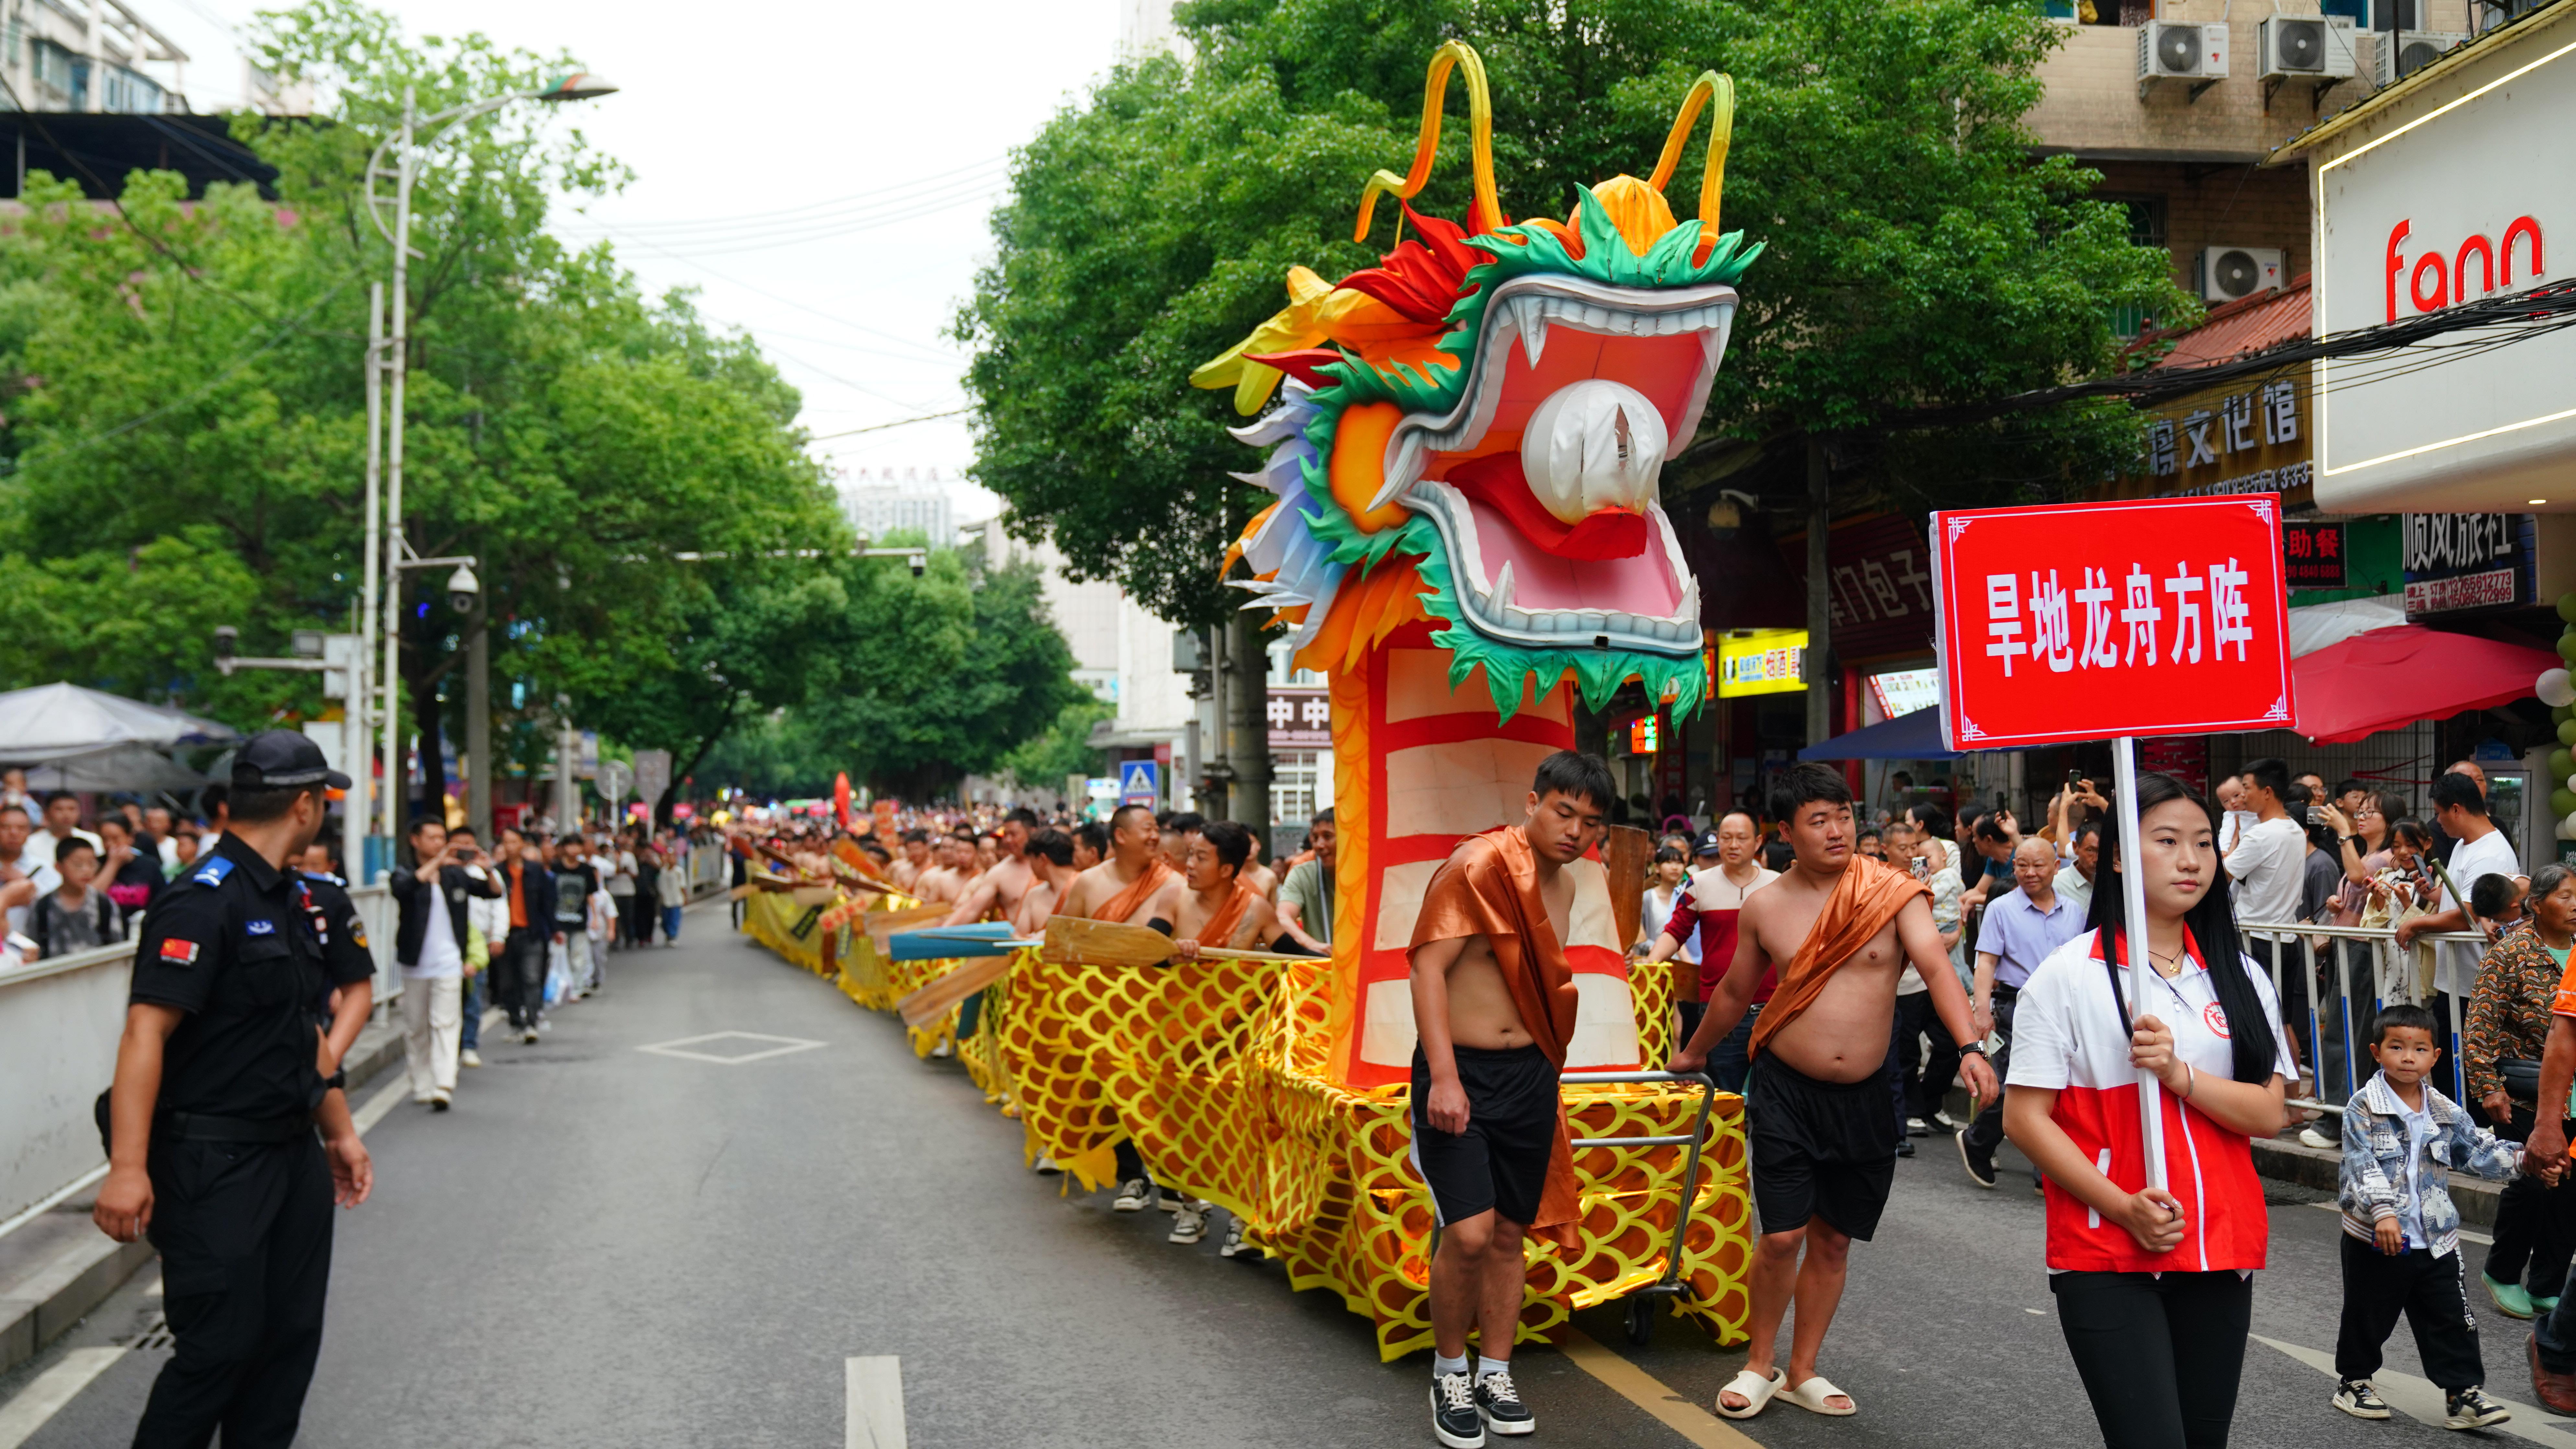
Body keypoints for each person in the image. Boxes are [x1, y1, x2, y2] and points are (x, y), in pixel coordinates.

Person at [1669, 765, 1995, 1421]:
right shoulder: (1765, 905)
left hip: (1867, 1095)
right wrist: (1695, 1050)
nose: (1837, 830)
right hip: (1786, 1089)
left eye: (1843, 815)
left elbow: (1936, 968)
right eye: (1818, 820)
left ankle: (1802, 1370)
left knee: (1834, 1239)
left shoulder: (1892, 892)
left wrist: (1968, 1047)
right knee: (1782, 1234)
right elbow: (1734, 991)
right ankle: (1759, 1362)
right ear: (1785, 832)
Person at [92, 730, 374, 1448]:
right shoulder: (201, 900)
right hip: (214, 1163)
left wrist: (339, 1130)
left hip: (292, 1154)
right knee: (219, 1349)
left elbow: (299, 1027)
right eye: (324, 801)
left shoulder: (290, 896)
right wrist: (127, 1167)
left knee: (286, 1346)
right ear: (305, 805)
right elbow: (145, 1031)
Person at [2001, 770, 2294, 1449]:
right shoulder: (2067, 975)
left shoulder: (2241, 975)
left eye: (2203, 842)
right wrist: (2123, 1205)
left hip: (2218, 1247)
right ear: (2116, 857)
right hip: (2106, 1252)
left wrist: (2178, 1074)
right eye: (2166, 841)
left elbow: (2268, 1113)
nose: (2191, 860)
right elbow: (2024, 1119)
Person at [1407, 750, 1613, 1447]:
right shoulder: (1476, 866)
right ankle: (1449, 1371)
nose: (1574, 831)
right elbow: (1427, 970)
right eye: (1564, 812)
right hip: (1460, 1072)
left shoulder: (1569, 884)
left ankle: (1494, 1371)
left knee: (1506, 1234)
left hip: (1529, 1075)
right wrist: (1443, 1076)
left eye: (1590, 822)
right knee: (1467, 1232)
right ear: (1533, 802)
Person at [2331, 1003, 2520, 1428]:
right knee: (2368, 1313)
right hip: (2378, 1237)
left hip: (2436, 1238)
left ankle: (2462, 1393)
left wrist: (2525, 1161)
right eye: (2397, 1047)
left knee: (2452, 1316)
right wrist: (2383, 1213)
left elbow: (2476, 1150)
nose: (2408, 1057)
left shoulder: (2443, 1109)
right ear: (2377, 1051)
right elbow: (2361, 1164)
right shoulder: (2362, 1106)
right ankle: (2354, 1381)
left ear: (2435, 1056)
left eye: (2419, 1048)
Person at [2464, 864, 2576, 1320]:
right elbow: (2480, 1026)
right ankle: (2503, 1271)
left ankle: (2548, 1283)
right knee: (2531, 1183)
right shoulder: (2511, 953)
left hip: (2574, 1092)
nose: (2574, 906)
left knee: (2568, 1190)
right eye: (2565, 896)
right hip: (2525, 1091)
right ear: (2536, 904)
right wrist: (2488, 1088)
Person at [1056, 804, 1182, 1212]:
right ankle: (1132, 1177)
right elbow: (1064, 942)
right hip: (1102, 1010)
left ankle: (1173, 1181)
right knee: (1114, 1091)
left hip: (1161, 1010)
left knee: (1163, 1095)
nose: (1155, 835)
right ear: (1121, 836)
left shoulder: (1174, 884)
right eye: (1147, 828)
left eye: (1156, 828)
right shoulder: (1088, 882)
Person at [1959, 836, 2088, 1190]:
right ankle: (1977, 1141)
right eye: (2021, 865)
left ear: (2056, 867)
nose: (2030, 873)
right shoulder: (2001, 908)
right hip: (2015, 1005)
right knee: (2010, 1086)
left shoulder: (2074, 911)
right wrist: (1982, 1011)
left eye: (2038, 865)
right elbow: (1986, 962)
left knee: (2057, 1086)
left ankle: (2044, 1170)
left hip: (2063, 1007)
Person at [1636, 815, 1776, 1089]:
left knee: (1772, 1094)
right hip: (1718, 1011)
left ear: (1758, 842)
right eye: (1726, 838)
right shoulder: (1698, 884)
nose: (1733, 845)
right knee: (1722, 1093)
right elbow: (1676, 931)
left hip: (1773, 1008)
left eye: (1742, 838)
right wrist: (1651, 964)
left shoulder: (1778, 884)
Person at [389, 819, 501, 1111]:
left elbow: (492, 892)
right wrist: (438, 862)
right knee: (417, 1026)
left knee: (446, 1022)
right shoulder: (405, 872)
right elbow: (403, 889)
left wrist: (488, 868)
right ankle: (422, 1083)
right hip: (416, 962)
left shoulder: (455, 875)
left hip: (450, 961)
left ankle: (443, 1083)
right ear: (415, 840)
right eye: (432, 838)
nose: (439, 843)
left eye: (442, 838)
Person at [2399, 772, 2522, 1006]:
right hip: (2458, 979)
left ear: (2456, 810)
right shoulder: (2464, 844)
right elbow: (2460, 899)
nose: (2437, 821)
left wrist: (2415, 923)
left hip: (2478, 984)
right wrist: (2431, 894)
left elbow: (2467, 916)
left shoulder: (2490, 854)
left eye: (2439, 813)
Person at [458, 828, 509, 1066]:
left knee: (473, 998)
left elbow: (498, 901)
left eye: (469, 844)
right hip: (447, 946)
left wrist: (498, 936)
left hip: (476, 946)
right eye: (458, 844)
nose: (464, 849)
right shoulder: (439, 872)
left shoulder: (486, 873)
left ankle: (469, 1045)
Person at [30, 836, 121, 958]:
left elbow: (117, 948)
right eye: (78, 865)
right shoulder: (43, 907)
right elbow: (33, 948)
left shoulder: (104, 904)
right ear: (59, 867)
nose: (87, 870)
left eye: (92, 864)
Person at [1276, 807, 1337, 955]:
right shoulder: (1302, 873)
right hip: (1320, 963)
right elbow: (1283, 917)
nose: (1319, 845)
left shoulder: (1370, 874)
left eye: (1328, 836)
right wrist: (1312, 945)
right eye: (1315, 838)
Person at [549, 838, 600, 1007]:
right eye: (570, 845)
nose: (574, 849)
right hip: (559, 920)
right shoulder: (556, 868)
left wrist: (595, 917)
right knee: (559, 955)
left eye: (577, 846)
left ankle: (576, 989)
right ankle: (560, 988)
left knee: (578, 956)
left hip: (579, 919)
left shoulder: (586, 870)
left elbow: (591, 895)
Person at [27, 789, 100, 871]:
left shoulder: (93, 840)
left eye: (72, 809)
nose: (66, 815)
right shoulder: (31, 843)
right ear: (46, 813)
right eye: (59, 809)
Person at [2054, 821, 2100, 919]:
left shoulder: (2112, 882)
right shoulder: (2056, 885)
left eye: (2102, 851)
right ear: (2076, 847)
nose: (2096, 859)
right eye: (2090, 850)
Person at [655, 839, 691, 945]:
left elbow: (683, 886)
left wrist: (685, 897)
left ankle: (672, 936)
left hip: (676, 898)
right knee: (665, 920)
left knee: (674, 919)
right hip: (665, 899)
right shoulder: (663, 871)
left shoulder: (679, 872)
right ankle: (668, 933)